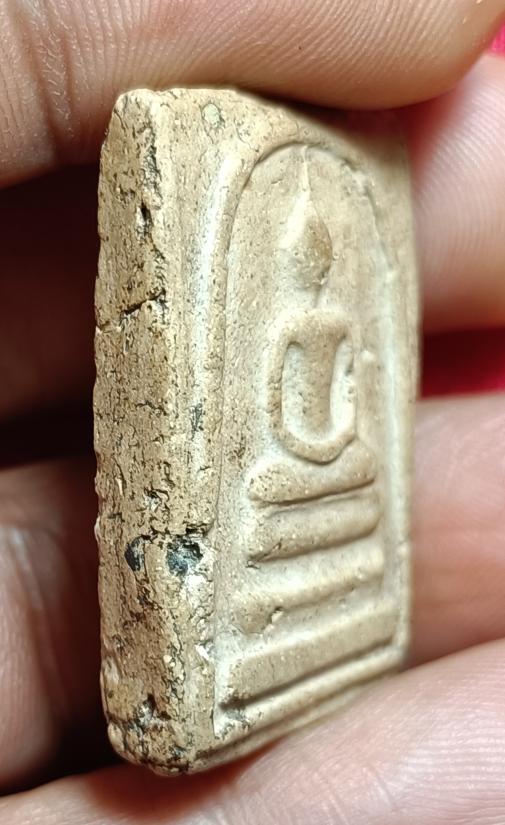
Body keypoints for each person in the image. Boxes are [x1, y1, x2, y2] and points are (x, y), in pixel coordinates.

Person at [0, 1, 504, 821]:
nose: (313, 268)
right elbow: (275, 399)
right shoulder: (294, 327)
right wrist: (301, 446)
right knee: (257, 501)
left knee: (349, 488)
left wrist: (325, 446)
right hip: (283, 465)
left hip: (324, 460)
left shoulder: (328, 319)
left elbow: (341, 400)